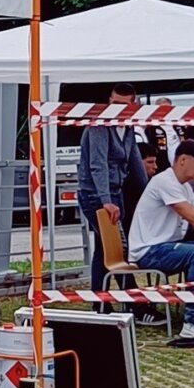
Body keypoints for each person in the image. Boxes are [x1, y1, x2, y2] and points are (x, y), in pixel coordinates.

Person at [127, 139, 194, 347]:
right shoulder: (165, 182)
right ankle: (191, 323)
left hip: (163, 246)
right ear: (183, 160)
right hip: (149, 250)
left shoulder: (182, 185)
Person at [76, 85, 147, 296]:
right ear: (109, 101)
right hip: (95, 195)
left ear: (133, 105)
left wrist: (150, 193)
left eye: (123, 105)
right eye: (114, 104)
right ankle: (132, 298)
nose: (117, 109)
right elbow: (98, 164)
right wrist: (105, 199)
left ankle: (101, 301)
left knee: (104, 250)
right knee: (116, 248)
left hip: (116, 193)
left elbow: (135, 162)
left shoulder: (128, 128)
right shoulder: (99, 126)